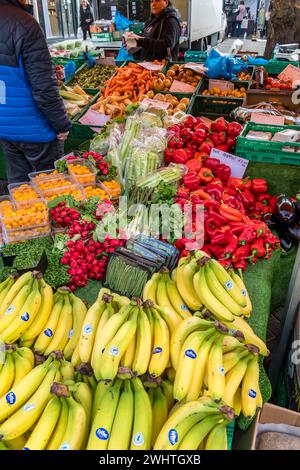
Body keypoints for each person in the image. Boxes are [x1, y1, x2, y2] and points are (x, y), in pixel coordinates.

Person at [0, 0, 71, 184]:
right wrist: (61, 124)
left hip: (5, 126)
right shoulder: (25, 24)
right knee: (50, 188)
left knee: (18, 187)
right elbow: (44, 87)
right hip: (36, 129)